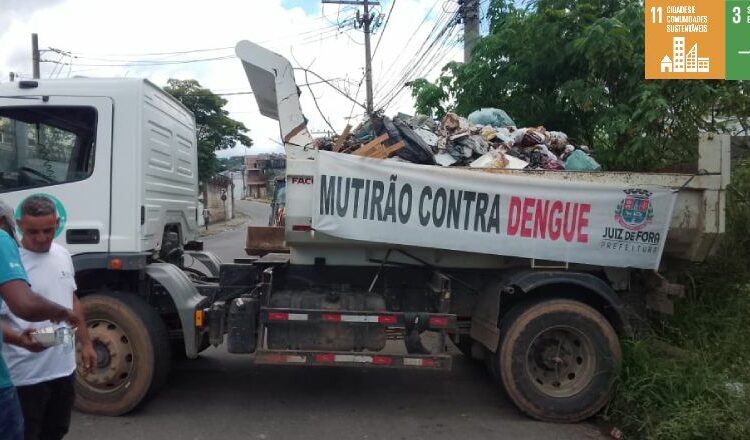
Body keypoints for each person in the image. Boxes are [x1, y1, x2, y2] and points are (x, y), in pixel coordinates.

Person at [1, 196, 95, 440]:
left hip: (63, 370)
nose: (42, 238)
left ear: (57, 222)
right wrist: (19, 339)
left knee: (56, 431)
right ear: (19, 225)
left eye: (48, 230)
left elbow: (71, 299)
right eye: (33, 231)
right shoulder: (11, 262)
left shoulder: (63, 254)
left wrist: (86, 343)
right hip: (24, 376)